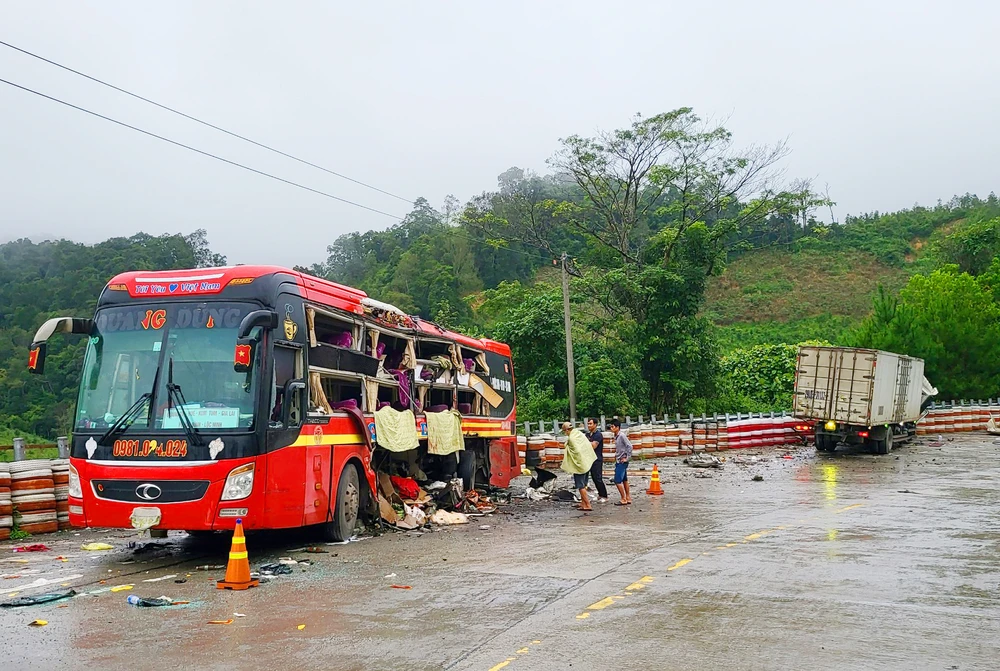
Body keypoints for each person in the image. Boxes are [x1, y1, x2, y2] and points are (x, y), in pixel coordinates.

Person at [560, 421, 597, 511]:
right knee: (584, 484)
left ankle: (587, 505)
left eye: (565, 431)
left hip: (579, 465)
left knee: (580, 485)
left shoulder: (572, 438)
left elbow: (576, 452)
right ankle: (583, 503)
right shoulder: (578, 433)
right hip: (587, 461)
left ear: (567, 430)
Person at [585, 418, 609, 502]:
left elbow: (593, 446)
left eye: (590, 424)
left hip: (597, 459)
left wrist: (586, 443)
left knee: (598, 478)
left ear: (595, 425)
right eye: (588, 423)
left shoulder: (598, 435)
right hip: (589, 458)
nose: (588, 425)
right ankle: (600, 494)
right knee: (593, 478)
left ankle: (604, 495)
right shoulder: (587, 435)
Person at [610, 419, 633, 505]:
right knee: (624, 479)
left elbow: (629, 446)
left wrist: (627, 458)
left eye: (613, 427)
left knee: (617, 480)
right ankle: (628, 497)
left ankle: (623, 498)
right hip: (619, 459)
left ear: (617, 427)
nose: (611, 428)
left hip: (622, 461)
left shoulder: (622, 436)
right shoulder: (616, 436)